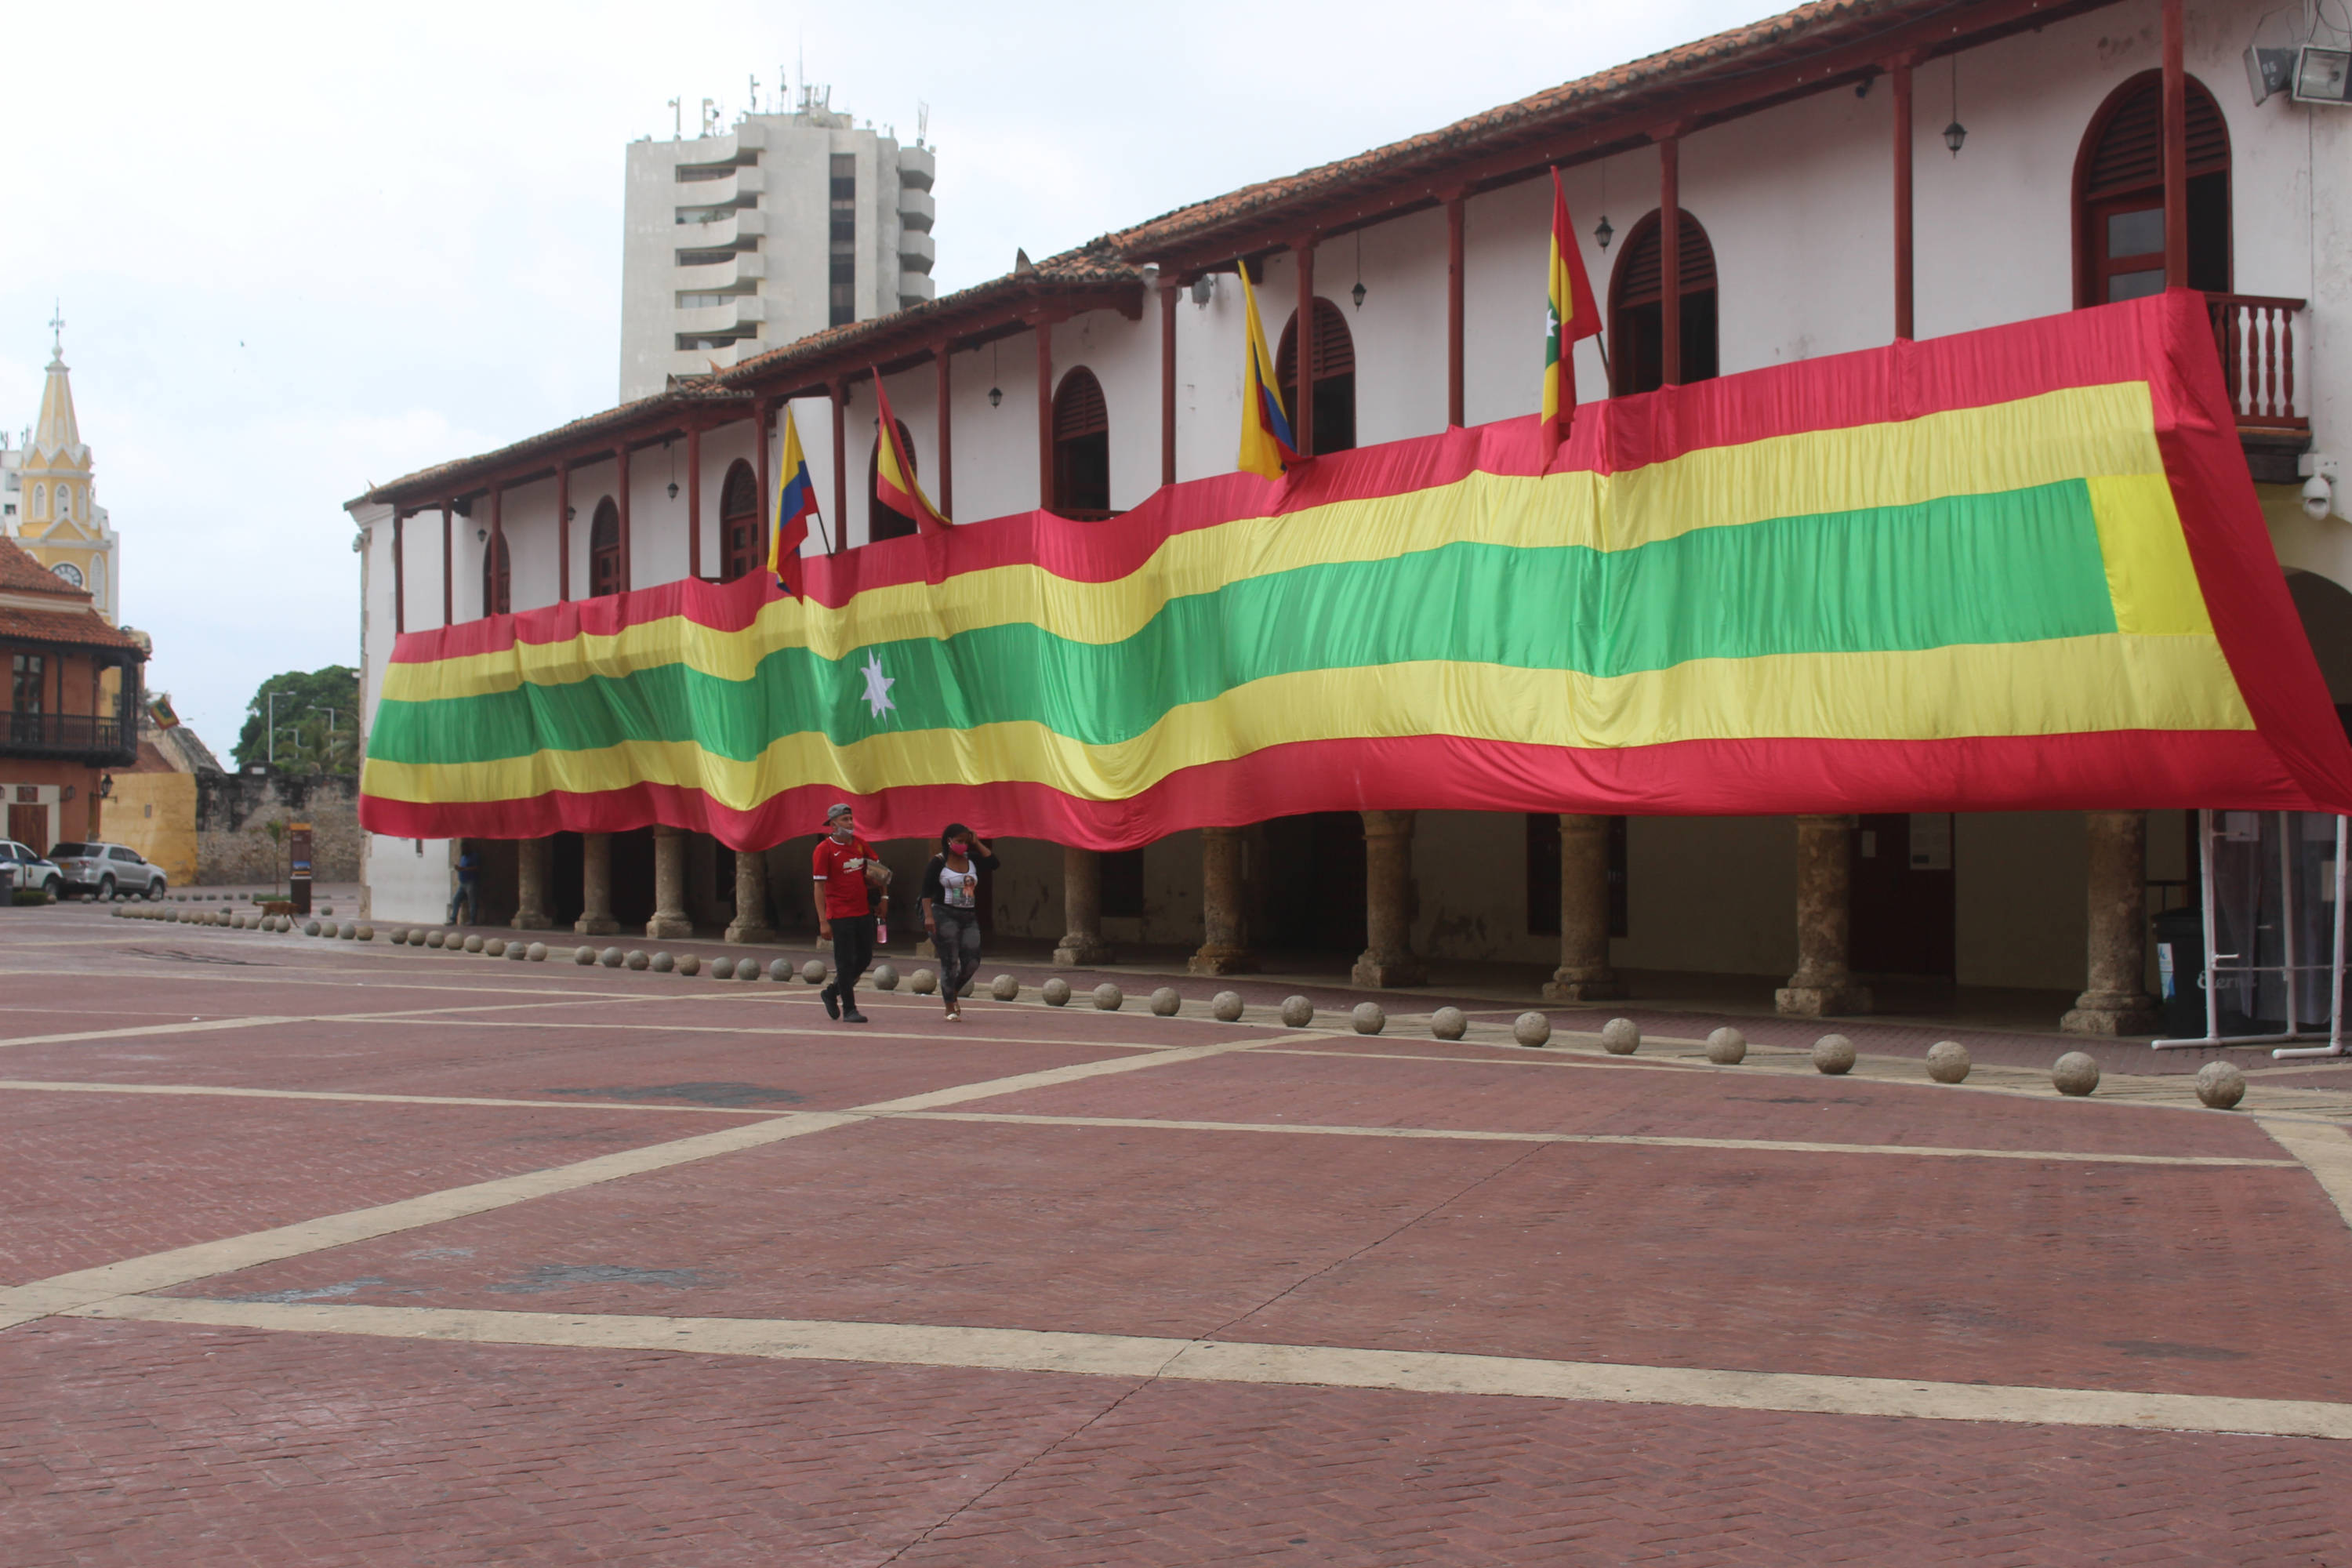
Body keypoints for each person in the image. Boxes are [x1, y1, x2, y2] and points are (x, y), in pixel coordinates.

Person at [811, 803, 887, 1024]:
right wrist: (823, 921)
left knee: (864, 957)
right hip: (839, 914)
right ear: (833, 825)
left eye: (851, 819)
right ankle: (850, 1009)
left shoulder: (860, 845)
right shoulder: (824, 850)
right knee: (844, 962)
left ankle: (832, 991)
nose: (850, 824)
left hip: (862, 910)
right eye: (845, 820)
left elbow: (880, 872)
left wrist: (884, 898)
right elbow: (819, 887)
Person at [920, 823, 998, 1021]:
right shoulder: (939, 862)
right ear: (949, 841)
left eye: (966, 841)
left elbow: (994, 863)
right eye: (959, 841)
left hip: (968, 914)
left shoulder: (971, 860)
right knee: (950, 961)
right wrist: (929, 916)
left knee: (972, 962)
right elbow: (926, 892)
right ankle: (949, 1006)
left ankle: (952, 990)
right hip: (943, 914)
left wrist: (977, 842)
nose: (963, 845)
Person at [448, 842, 481, 925]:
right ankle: (453, 918)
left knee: (472, 901)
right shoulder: (463, 857)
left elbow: (476, 868)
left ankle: (473, 920)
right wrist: (459, 869)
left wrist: (464, 869)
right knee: (456, 899)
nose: (463, 849)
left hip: (471, 882)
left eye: (464, 848)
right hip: (463, 883)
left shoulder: (474, 856)